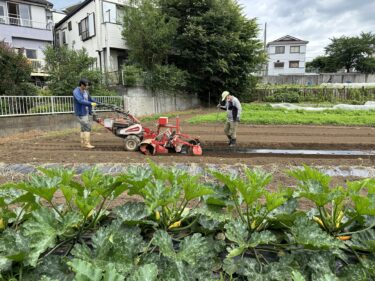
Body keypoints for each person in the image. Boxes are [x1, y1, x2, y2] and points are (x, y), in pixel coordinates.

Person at [73, 78, 98, 149]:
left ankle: (83, 144)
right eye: (86, 85)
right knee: (87, 127)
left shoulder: (85, 91)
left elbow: (90, 99)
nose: (87, 87)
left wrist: (98, 103)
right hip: (80, 112)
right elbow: (80, 101)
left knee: (83, 128)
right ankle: (87, 144)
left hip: (86, 112)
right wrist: (91, 104)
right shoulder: (76, 91)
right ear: (81, 85)